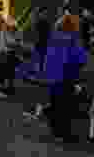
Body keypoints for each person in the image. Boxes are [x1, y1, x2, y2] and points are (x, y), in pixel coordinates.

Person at [44, 14, 88, 142]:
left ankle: (55, 130)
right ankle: (64, 133)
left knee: (55, 102)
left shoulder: (53, 38)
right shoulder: (72, 39)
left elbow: (49, 57)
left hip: (53, 75)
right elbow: (80, 57)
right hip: (67, 76)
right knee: (66, 105)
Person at [0, 16, 23, 95]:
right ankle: (7, 87)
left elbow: (11, 43)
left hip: (9, 54)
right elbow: (8, 43)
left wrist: (16, 43)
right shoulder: (4, 31)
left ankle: (9, 88)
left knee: (9, 73)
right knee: (7, 72)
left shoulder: (11, 32)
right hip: (6, 53)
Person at [34, 8, 51, 75]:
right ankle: (38, 71)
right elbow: (35, 33)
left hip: (45, 43)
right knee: (39, 58)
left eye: (45, 13)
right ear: (40, 14)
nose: (44, 14)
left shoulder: (47, 23)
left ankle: (41, 71)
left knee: (43, 59)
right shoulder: (37, 22)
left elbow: (49, 33)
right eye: (43, 13)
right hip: (39, 43)